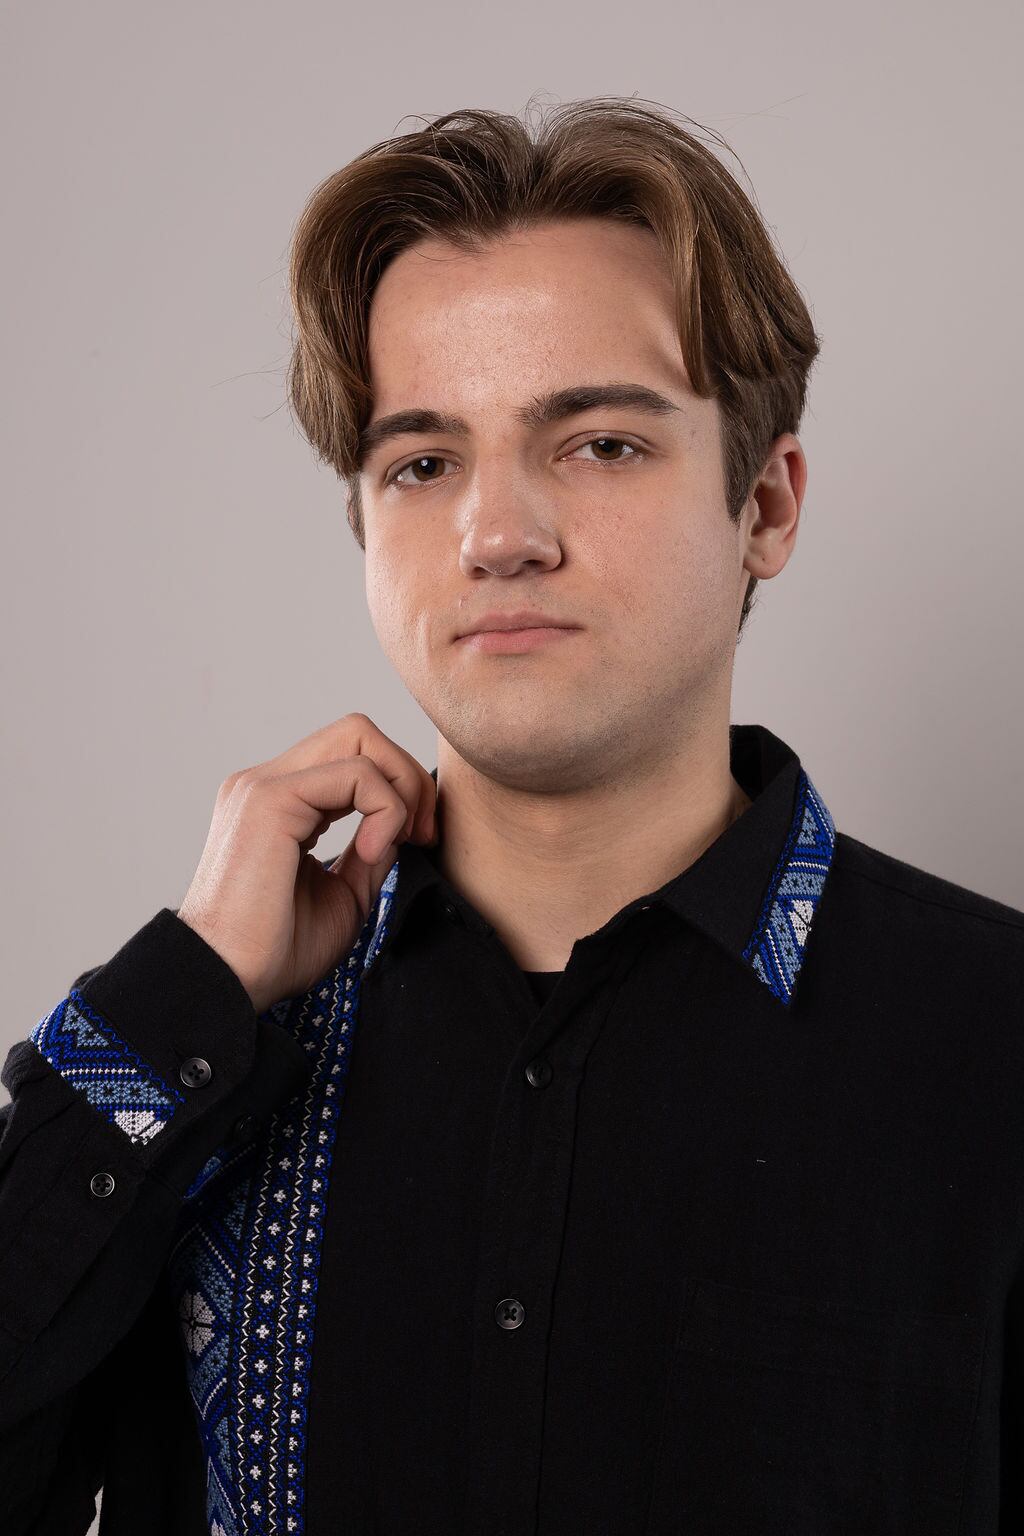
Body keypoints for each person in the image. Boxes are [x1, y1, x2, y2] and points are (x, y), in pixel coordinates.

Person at [2, 95, 1022, 1536]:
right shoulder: (203, 1053)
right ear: (365, 529)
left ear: (767, 507)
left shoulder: (991, 1037)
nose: (496, 536)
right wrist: (181, 998)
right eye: (423, 464)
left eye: (599, 444)